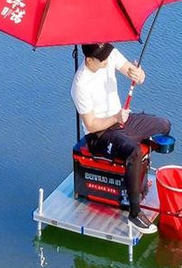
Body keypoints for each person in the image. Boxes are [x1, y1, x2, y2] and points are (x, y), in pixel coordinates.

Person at [71, 43, 171, 234]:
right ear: (89, 59)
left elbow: (129, 70)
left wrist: (138, 75)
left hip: (122, 121)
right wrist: (115, 118)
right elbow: (91, 124)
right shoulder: (80, 84)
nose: (107, 61)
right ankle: (134, 213)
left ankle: (138, 162)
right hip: (100, 134)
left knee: (164, 125)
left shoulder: (109, 54)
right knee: (132, 151)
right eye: (102, 60)